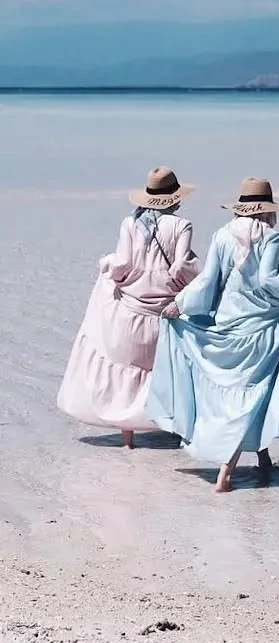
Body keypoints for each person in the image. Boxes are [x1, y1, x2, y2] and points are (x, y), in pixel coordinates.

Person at [149, 177, 279, 493]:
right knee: (252, 392)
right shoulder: (270, 237)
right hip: (259, 327)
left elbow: (206, 281)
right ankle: (225, 475)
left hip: (226, 324)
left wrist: (179, 304)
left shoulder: (222, 235)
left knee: (245, 390)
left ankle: (263, 458)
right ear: (268, 210)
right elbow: (270, 281)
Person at [57, 167, 199, 449]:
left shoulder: (130, 224)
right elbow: (183, 266)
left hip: (131, 312)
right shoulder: (182, 225)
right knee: (165, 368)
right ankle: (179, 428)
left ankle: (128, 439)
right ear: (175, 198)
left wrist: (110, 268)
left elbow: (121, 265)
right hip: (163, 312)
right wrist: (175, 282)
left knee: (126, 368)